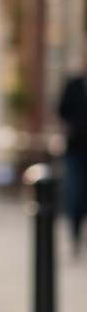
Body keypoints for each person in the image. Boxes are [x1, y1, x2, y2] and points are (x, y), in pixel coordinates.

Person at [58, 48, 87, 252]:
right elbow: (61, 111)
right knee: (75, 194)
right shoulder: (74, 85)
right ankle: (75, 234)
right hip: (76, 150)